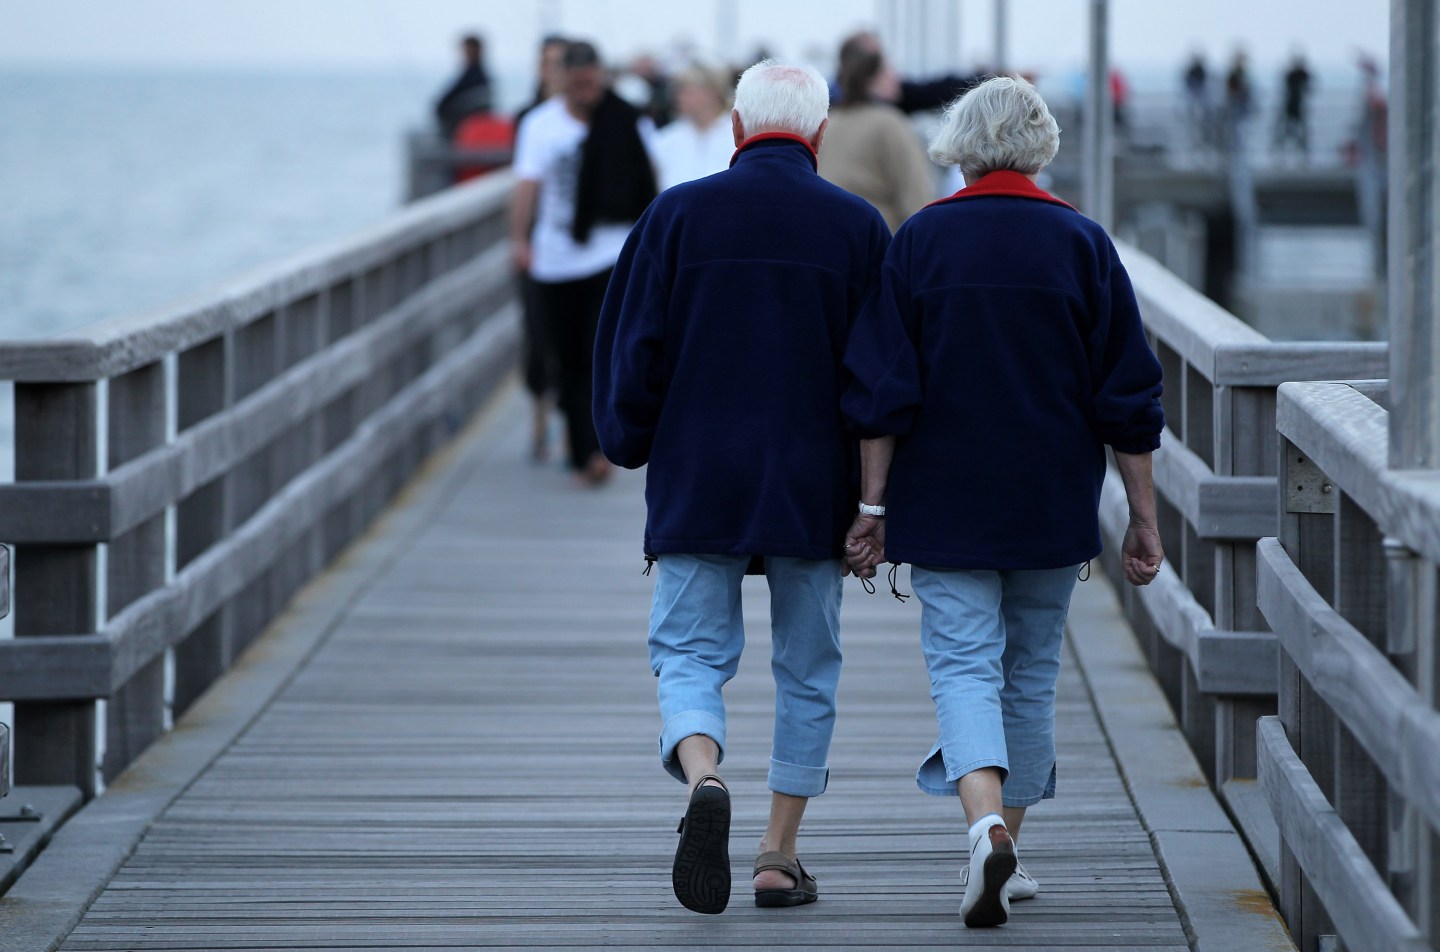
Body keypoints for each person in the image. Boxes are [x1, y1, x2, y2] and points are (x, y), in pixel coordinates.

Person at [841, 76, 1165, 928]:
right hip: (1050, 501)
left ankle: (986, 828)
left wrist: (871, 508)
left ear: (960, 143)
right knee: (1031, 673)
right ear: (1042, 143)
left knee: (962, 667)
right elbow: (1128, 398)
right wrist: (1143, 516)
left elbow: (882, 390)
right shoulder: (1084, 244)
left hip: (944, 500)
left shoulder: (920, 242)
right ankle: (1004, 845)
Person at [593, 60, 890, 915]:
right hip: (813, 483)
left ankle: (703, 776)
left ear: (734, 128)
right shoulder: (856, 227)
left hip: (700, 474)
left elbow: (631, 352)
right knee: (808, 667)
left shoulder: (676, 215)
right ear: (820, 136)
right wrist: (875, 505)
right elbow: (880, 382)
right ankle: (776, 854)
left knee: (687, 651)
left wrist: (630, 438)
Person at [510, 40, 658, 485]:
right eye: (577, 84)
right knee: (566, 359)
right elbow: (526, 187)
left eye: (592, 82)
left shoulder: (628, 119)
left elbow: (653, 180)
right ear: (562, 81)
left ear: (601, 76)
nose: (586, 91)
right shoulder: (540, 124)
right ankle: (581, 452)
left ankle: (596, 451)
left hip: (610, 252)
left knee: (600, 353)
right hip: (555, 257)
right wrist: (519, 239)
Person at [512, 34, 570, 461]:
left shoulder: (593, 116)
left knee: (576, 344)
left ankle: (573, 430)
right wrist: (519, 238)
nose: (552, 70)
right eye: (546, 62)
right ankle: (538, 418)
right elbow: (522, 184)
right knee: (537, 339)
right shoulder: (529, 118)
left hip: (578, 251)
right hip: (538, 246)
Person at [818, 46, 936, 232]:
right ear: (871, 79)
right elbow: (915, 195)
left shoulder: (828, 123)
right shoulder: (890, 124)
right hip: (881, 242)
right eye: (889, 72)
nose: (897, 79)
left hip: (833, 237)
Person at [652, 65, 735, 190]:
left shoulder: (738, 135)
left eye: (688, 92)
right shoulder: (665, 139)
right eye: (679, 92)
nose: (680, 98)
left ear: (712, 94)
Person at [434, 34, 493, 140]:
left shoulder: (476, 76)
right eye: (465, 50)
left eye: (469, 50)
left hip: (465, 122)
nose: (466, 53)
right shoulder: (470, 74)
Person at [1274, 53, 1313, 161]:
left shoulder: (1299, 74)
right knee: (1289, 132)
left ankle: (1300, 155)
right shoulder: (1294, 75)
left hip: (1296, 107)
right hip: (1292, 107)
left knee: (1297, 133)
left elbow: (1308, 88)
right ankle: (1284, 154)